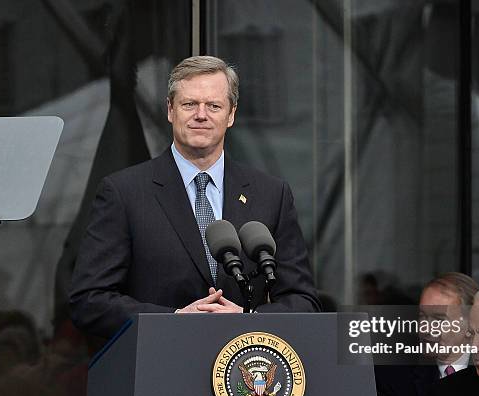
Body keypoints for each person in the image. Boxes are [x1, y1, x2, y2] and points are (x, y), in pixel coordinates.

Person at [69, 56, 320, 338]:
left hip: (244, 372)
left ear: (231, 115)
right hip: (160, 369)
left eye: (214, 106)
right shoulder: (124, 193)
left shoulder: (271, 195)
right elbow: (88, 300)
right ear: (170, 110)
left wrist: (248, 318)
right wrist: (173, 319)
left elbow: (303, 301)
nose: (201, 115)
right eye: (190, 104)